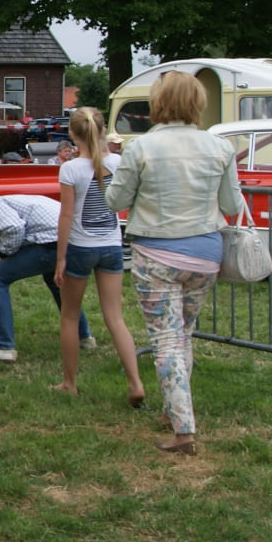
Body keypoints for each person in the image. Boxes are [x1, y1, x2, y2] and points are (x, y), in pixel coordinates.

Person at [105, 72, 241, 456]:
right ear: (197, 102)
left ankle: (183, 430)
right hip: (206, 253)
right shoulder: (219, 147)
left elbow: (116, 201)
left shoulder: (141, 148)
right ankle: (172, 410)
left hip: (157, 254)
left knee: (166, 339)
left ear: (157, 103)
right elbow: (232, 206)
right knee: (184, 333)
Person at [53, 106, 145, 404]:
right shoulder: (118, 162)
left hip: (81, 247)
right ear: (103, 130)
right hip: (111, 246)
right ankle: (135, 382)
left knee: (69, 316)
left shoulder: (70, 169)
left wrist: (60, 258)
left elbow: (66, 216)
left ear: (72, 134)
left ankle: (70, 382)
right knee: (115, 317)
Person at [0, 194, 95, 362]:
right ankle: (83, 337)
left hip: (51, 243)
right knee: (55, 281)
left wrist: (2, 255)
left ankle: (2, 346)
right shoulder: (16, 200)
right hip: (73, 241)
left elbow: (14, 228)